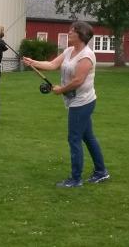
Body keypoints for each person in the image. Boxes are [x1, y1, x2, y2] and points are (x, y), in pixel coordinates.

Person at [22, 21, 109, 188]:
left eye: (72, 31)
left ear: (81, 35)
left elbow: (78, 81)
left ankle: (75, 179)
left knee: (74, 139)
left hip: (82, 102)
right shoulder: (69, 51)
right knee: (88, 137)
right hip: (75, 100)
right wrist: (33, 62)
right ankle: (101, 172)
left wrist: (60, 89)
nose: (69, 32)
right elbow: (52, 64)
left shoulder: (86, 56)